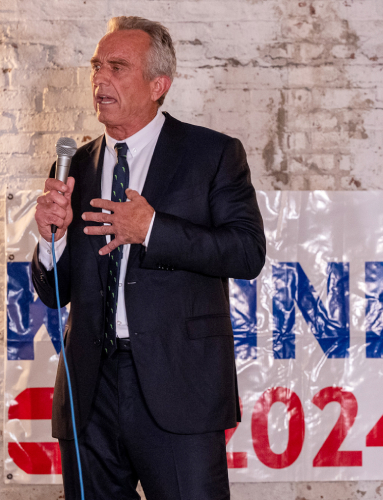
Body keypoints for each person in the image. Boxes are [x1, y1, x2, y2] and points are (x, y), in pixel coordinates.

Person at [31, 16, 266, 500]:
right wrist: (50, 240)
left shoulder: (212, 154)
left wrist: (153, 228)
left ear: (159, 84)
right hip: (89, 390)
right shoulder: (72, 166)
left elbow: (246, 252)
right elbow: (54, 294)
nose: (100, 79)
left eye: (117, 67)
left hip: (178, 387)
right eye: (97, 66)